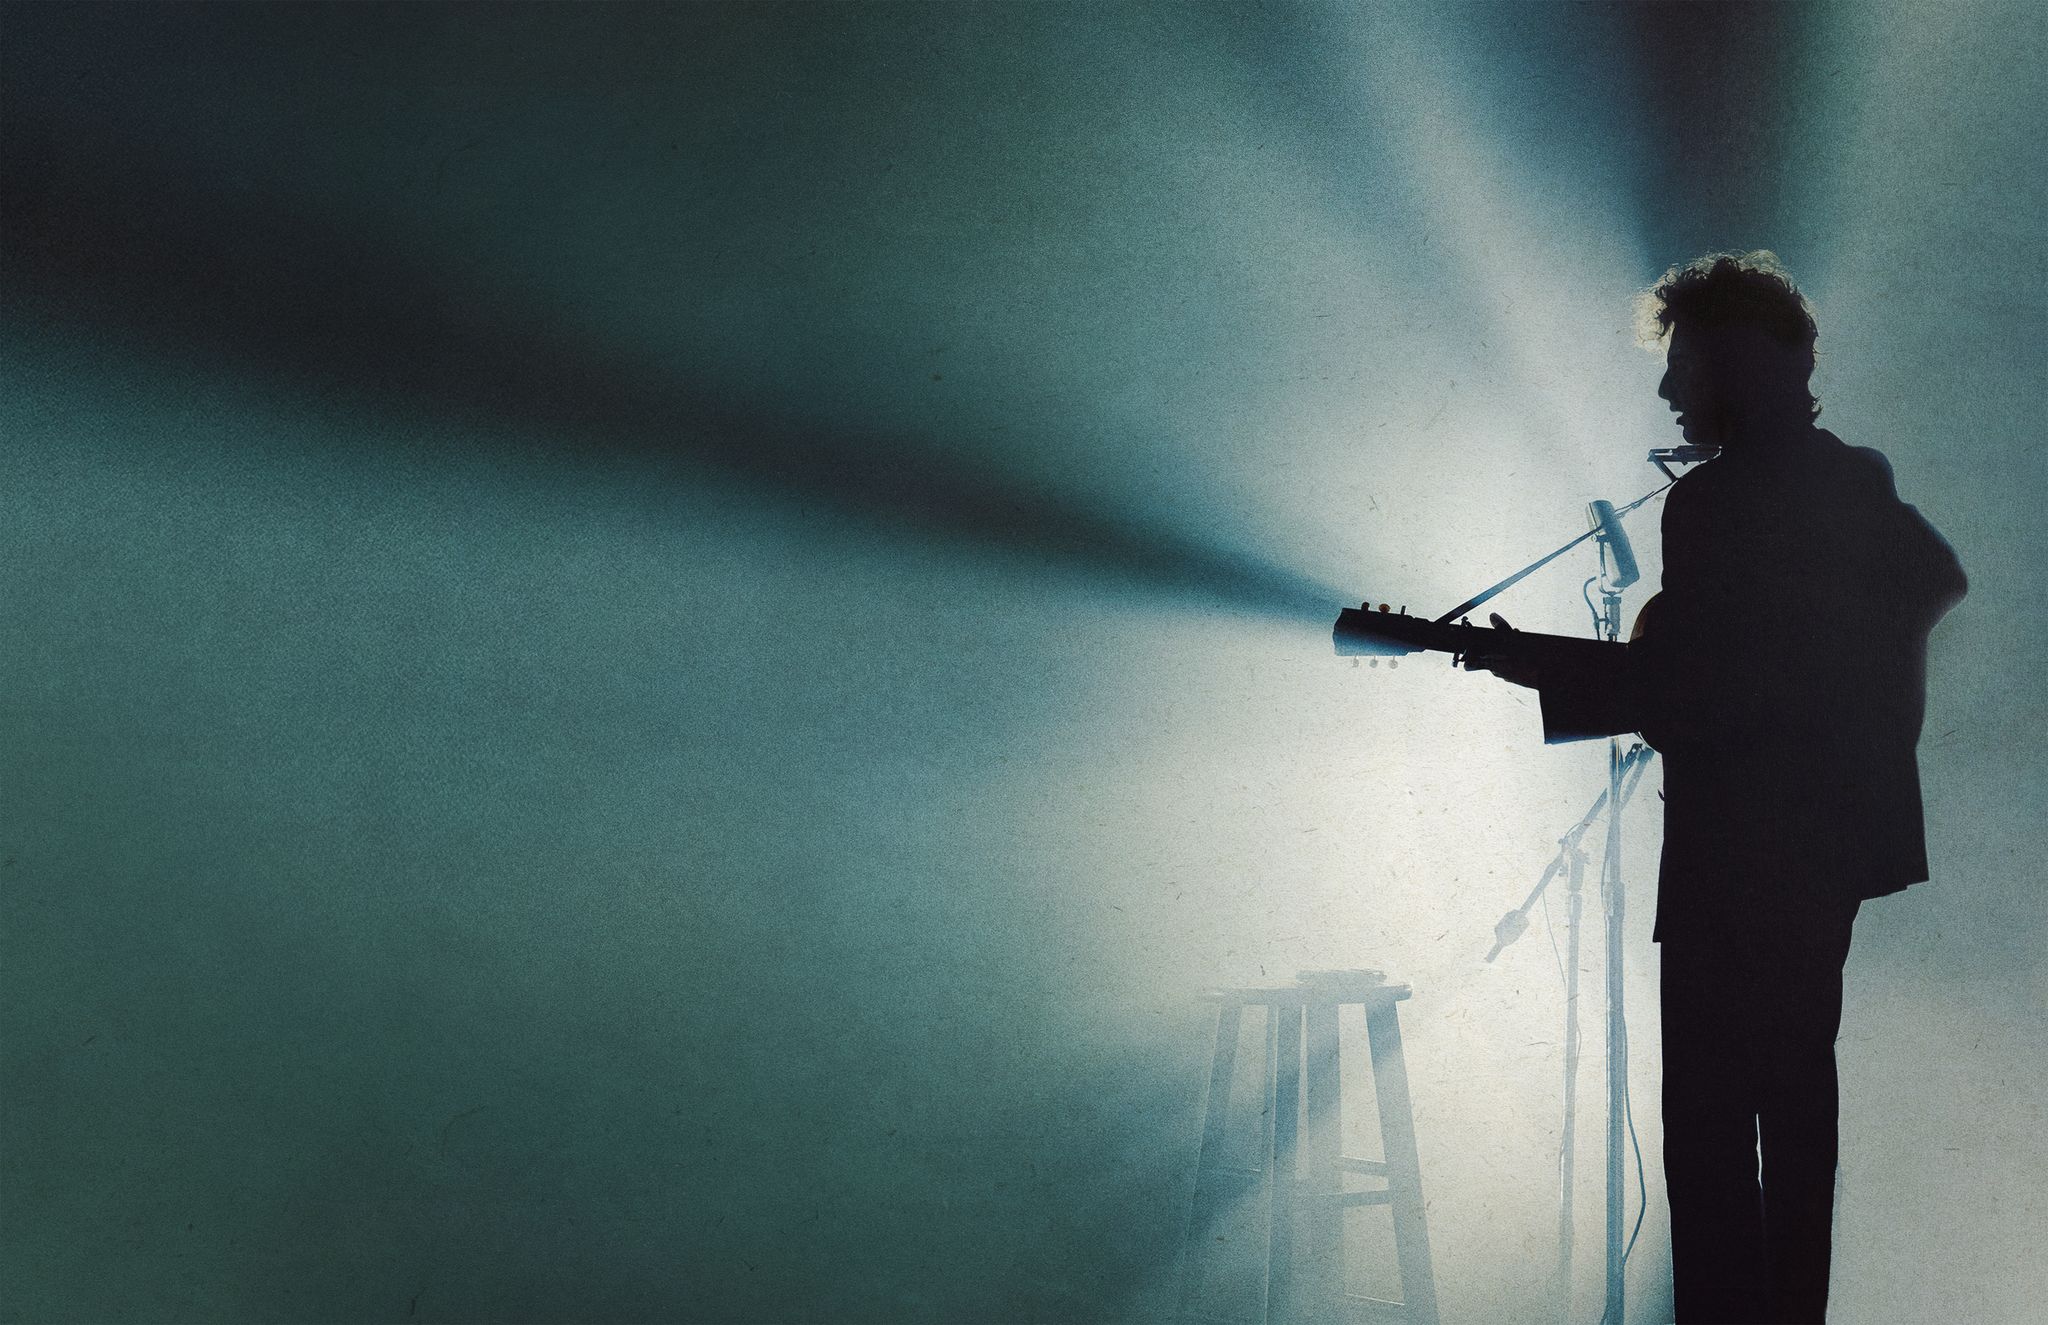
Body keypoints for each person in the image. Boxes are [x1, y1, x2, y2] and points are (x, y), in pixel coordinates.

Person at [1466, 252, 1966, 1323]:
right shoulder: (1851, 477)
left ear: (1732, 364)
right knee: (1794, 1115)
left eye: (1681, 362)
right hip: (1823, 849)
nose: (1665, 390)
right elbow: (1933, 580)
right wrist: (1864, 719)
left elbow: (1688, 688)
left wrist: (1537, 667)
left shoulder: (1712, 505)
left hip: (1728, 856)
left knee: (1705, 1133)